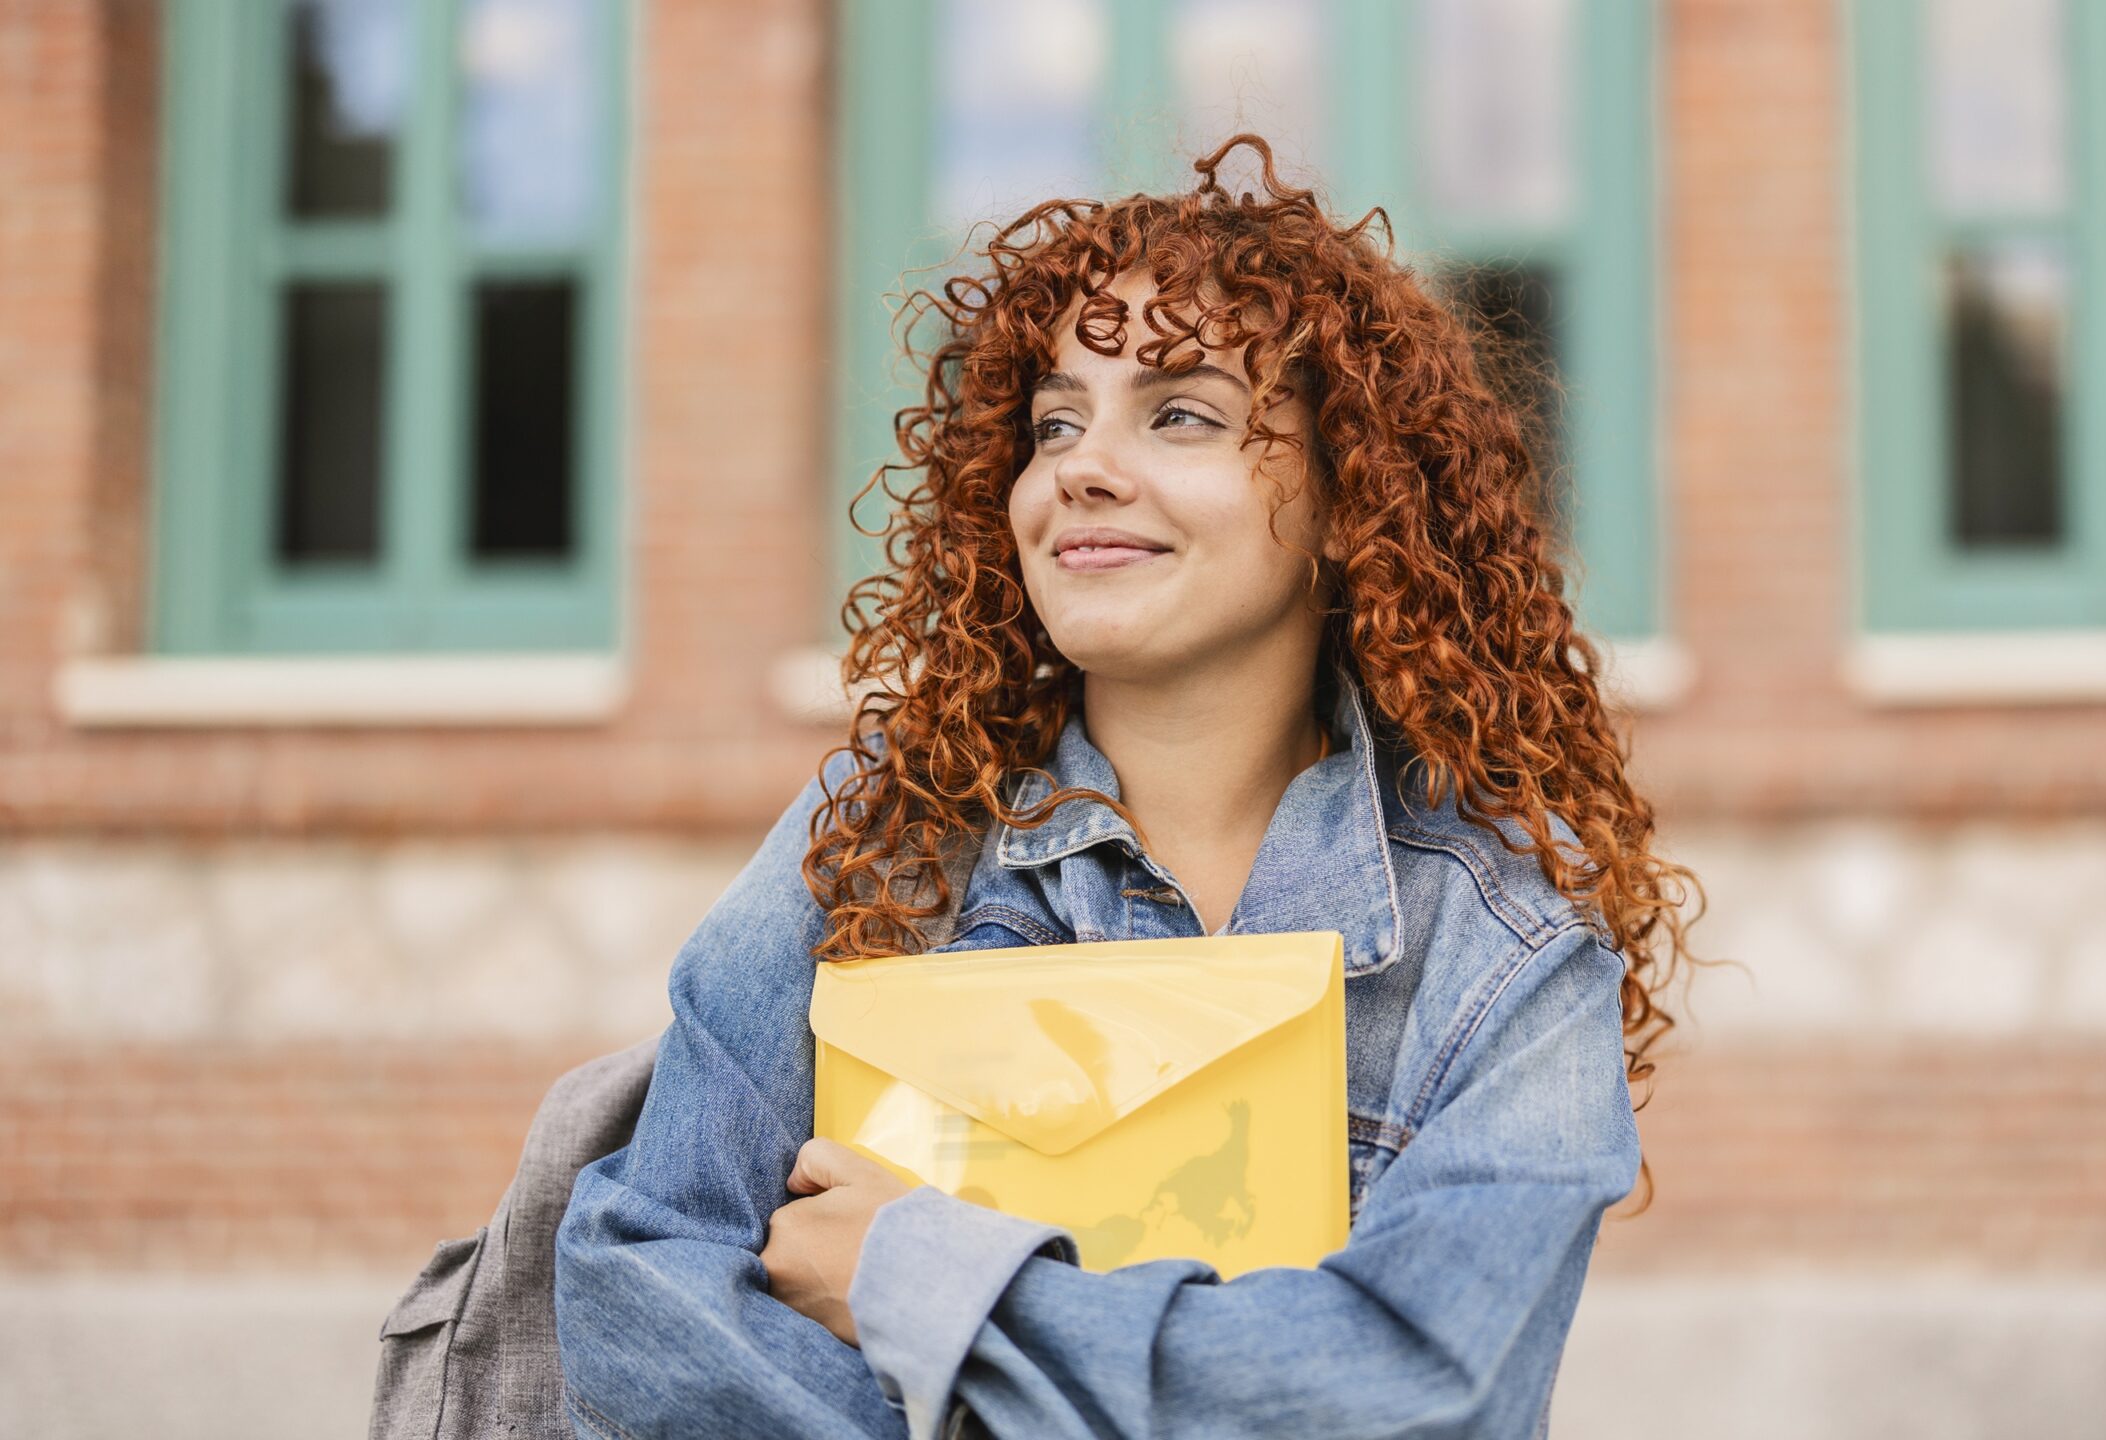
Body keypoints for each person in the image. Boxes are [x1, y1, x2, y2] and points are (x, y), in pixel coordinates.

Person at [553, 134, 1705, 1440]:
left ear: (1347, 499)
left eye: (1182, 414)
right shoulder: (884, 842)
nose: (1082, 469)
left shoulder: (1504, 945)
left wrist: (918, 1279)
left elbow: (1423, 1393)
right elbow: (636, 1293)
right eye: (1056, 423)